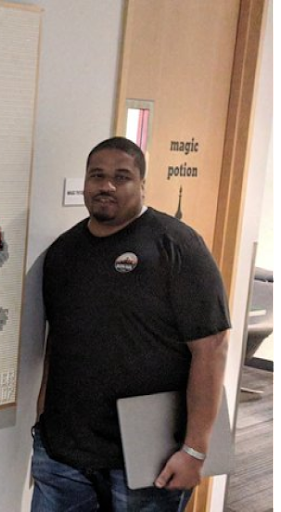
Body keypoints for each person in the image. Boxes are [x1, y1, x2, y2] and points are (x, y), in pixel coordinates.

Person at [31, 137, 230, 512]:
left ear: (142, 185)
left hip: (149, 456)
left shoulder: (177, 246)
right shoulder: (63, 253)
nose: (106, 185)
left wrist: (195, 448)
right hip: (62, 451)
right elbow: (55, 342)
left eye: (121, 177)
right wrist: (41, 425)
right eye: (97, 175)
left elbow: (213, 347)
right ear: (85, 183)